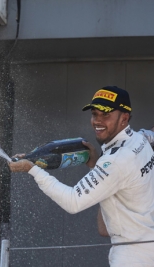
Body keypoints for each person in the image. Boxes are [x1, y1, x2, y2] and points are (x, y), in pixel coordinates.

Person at [8, 86, 154, 266]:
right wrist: (95, 164)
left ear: (124, 118)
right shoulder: (140, 139)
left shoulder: (116, 161)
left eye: (106, 115)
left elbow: (73, 201)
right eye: (95, 114)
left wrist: (32, 170)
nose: (97, 121)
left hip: (132, 257)